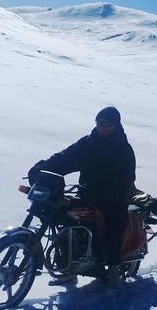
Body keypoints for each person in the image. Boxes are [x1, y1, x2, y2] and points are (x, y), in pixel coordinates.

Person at [28, 106, 136, 287]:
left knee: (112, 224)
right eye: (98, 122)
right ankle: (67, 267)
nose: (101, 127)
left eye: (106, 124)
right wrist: (43, 167)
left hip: (114, 197)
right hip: (86, 193)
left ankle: (114, 269)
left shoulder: (123, 148)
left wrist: (109, 192)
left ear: (116, 125)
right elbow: (66, 158)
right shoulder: (88, 143)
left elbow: (127, 177)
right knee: (61, 215)